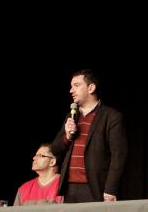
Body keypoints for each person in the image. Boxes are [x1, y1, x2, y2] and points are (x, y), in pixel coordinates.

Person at [51, 69, 128, 203]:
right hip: (70, 187)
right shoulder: (71, 116)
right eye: (71, 86)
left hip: (96, 187)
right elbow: (55, 149)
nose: (71, 90)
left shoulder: (111, 116)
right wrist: (67, 136)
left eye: (76, 85)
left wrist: (111, 189)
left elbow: (119, 156)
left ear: (91, 88)